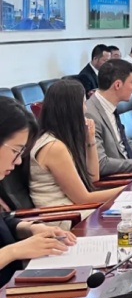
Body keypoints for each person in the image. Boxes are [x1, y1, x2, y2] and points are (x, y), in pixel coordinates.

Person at [0, 96, 77, 287]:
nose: (18, 161)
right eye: (16, 151)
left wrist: (30, 228)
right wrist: (13, 251)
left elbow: (3, 221)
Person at [29, 80, 125, 212]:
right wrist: (129, 189)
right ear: (72, 109)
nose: (86, 109)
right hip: (66, 216)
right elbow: (83, 198)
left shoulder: (61, 139)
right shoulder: (53, 147)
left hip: (76, 210)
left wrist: (90, 139)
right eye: (84, 103)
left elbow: (93, 177)